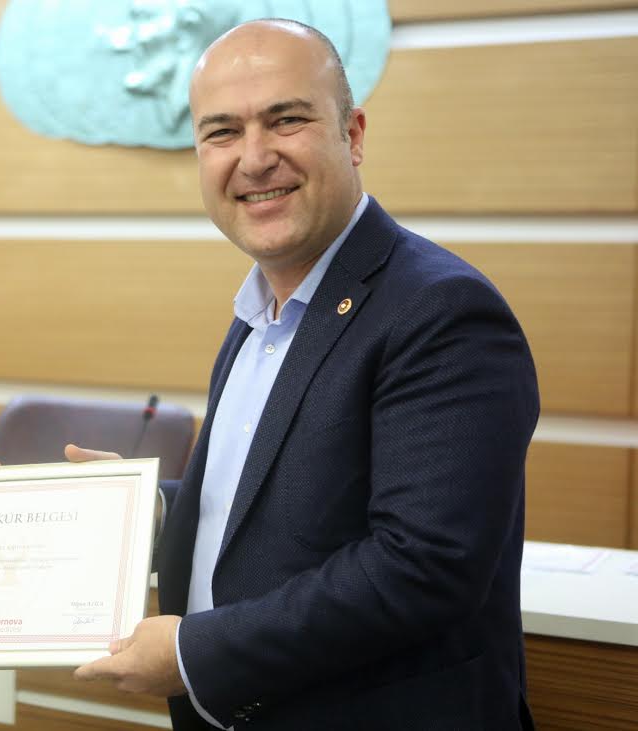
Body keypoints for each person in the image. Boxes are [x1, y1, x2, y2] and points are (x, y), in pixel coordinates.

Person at [71, 18, 539, 730]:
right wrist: (147, 508)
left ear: (353, 135)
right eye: (222, 132)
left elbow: (424, 564)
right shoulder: (260, 309)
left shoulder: (442, 310)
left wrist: (196, 652)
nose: (255, 158)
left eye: (286, 120)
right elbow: (283, 500)